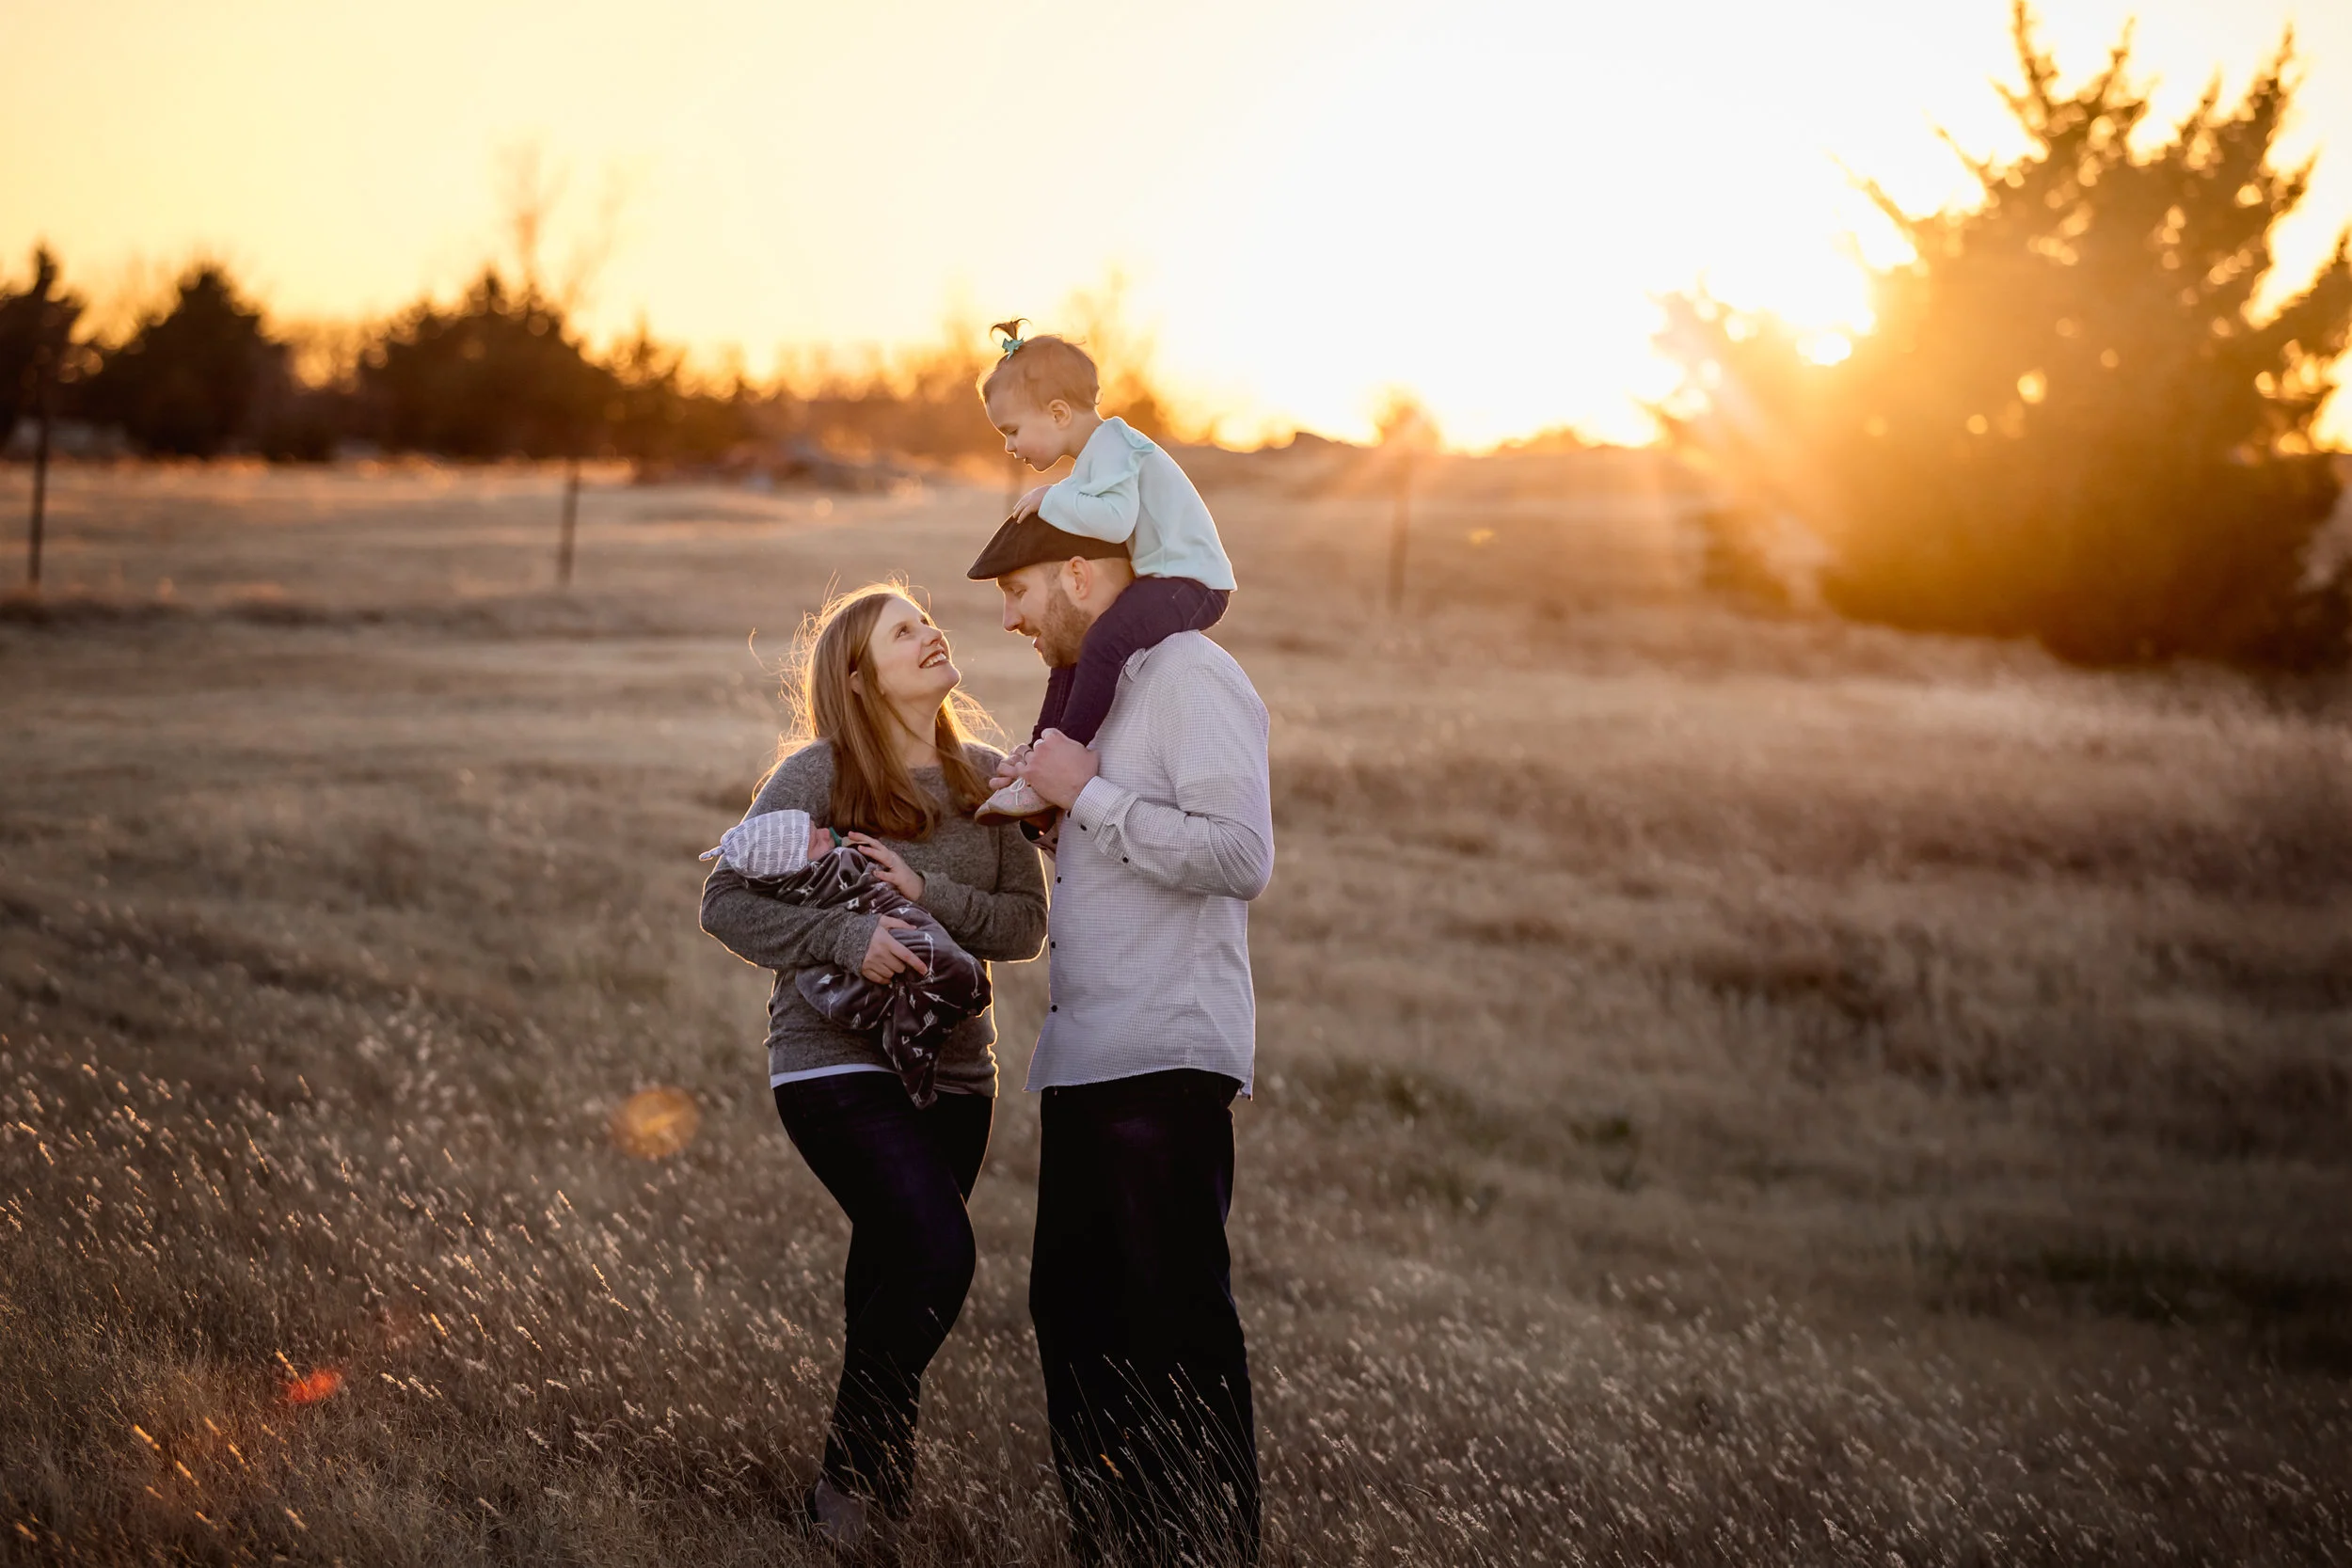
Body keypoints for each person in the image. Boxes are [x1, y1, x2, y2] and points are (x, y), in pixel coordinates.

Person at [697, 584, 1047, 1547]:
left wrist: (926, 891)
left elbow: (1026, 925)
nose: (931, 632)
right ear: (858, 676)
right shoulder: (817, 774)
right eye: (904, 630)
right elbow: (724, 902)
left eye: (927, 620)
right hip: (831, 1060)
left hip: (955, 1070)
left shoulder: (987, 780)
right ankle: (847, 1474)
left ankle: (863, 1506)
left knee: (892, 1273)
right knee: (938, 1253)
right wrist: (850, 938)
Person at [968, 513, 1274, 1565]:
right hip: (1090, 1055)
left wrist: (1087, 794)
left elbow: (1239, 854)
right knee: (1078, 1318)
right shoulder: (1099, 697)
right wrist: (1059, 820)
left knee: (1173, 1324)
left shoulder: (1190, 673)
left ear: (1078, 574)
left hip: (1164, 1054)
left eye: (1016, 593)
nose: (1008, 620)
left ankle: (1209, 1547)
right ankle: (1117, 1544)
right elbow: (1131, 850)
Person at [973, 321, 1238, 828]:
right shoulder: (1098, 457)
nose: (1009, 446)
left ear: (1057, 413)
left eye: (1012, 431)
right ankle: (1038, 760)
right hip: (1162, 578)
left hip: (1192, 582)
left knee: (1102, 643)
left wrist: (1052, 496)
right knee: (1073, 650)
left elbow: (1115, 520)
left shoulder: (1114, 446)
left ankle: (1061, 762)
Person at [699, 808, 991, 1106]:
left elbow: (1020, 924)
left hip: (968, 1078)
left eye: (817, 827)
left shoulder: (996, 787)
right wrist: (846, 936)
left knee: (951, 969)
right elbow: (719, 907)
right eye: (816, 841)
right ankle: (907, 1035)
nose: (828, 832)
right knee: (942, 969)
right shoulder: (811, 789)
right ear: (796, 870)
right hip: (832, 1065)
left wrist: (920, 887)